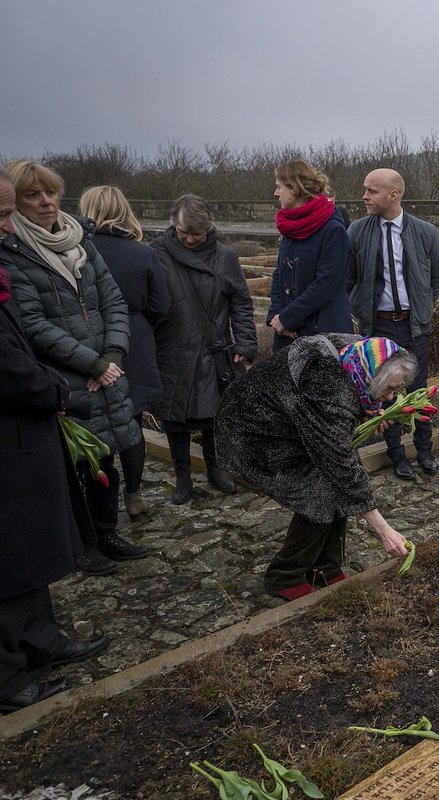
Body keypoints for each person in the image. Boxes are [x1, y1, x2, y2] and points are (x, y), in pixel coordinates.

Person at [0, 160, 146, 572]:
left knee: (104, 456)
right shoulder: (12, 251)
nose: (46, 202)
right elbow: (33, 324)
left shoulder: (82, 239)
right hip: (64, 374)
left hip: (106, 370)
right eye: (32, 195)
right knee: (73, 464)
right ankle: (81, 546)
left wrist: (114, 355)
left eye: (50, 193)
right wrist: (92, 362)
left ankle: (106, 532)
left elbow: (113, 301)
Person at [0, 168, 110, 713]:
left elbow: (107, 298)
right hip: (21, 415)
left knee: (26, 548)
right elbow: (14, 356)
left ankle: (41, 642)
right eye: (2, 215)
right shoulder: (16, 259)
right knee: (10, 552)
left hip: (33, 417)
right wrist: (64, 387)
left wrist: (106, 357)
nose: (8, 226)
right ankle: (9, 675)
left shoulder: (77, 243)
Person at [216, 335, 413, 600]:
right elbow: (340, 461)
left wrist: (365, 411)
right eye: (387, 389)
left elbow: (338, 418)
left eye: (396, 389)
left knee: (332, 483)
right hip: (254, 429)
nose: (390, 398)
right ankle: (284, 577)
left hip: (288, 416)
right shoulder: (328, 385)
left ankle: (325, 567)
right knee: (317, 489)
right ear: (367, 375)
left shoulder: (362, 354)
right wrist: (383, 530)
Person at [150, 194, 257, 504]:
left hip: (214, 349)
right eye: (184, 232)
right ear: (173, 224)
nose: (190, 239)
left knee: (213, 414)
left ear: (209, 228)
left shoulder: (224, 256)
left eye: (196, 233)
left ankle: (215, 469)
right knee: (176, 417)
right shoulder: (156, 254)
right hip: (171, 348)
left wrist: (247, 342)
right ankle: (182, 477)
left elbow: (240, 301)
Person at [347, 169, 439, 480]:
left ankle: (424, 449)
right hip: (379, 328)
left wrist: (421, 310)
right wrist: (361, 310)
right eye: (365, 190)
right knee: (385, 394)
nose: (364, 196)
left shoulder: (426, 232)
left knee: (417, 391)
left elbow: (437, 279)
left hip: (413, 326)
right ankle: (396, 455)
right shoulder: (357, 231)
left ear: (393, 195)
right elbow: (349, 278)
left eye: (371, 191)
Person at [78, 185, 170, 519]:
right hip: (136, 339)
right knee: (130, 420)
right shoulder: (142, 253)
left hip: (87, 339)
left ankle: (97, 503)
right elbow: (162, 304)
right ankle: (133, 495)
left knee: (94, 423)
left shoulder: (77, 250)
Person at [267, 160, 353, 351]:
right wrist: (276, 317)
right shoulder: (289, 225)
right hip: (287, 334)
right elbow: (279, 275)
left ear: (294, 188)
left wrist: (288, 318)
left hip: (323, 335)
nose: (276, 193)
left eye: (279, 187)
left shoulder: (333, 229)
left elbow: (325, 285)